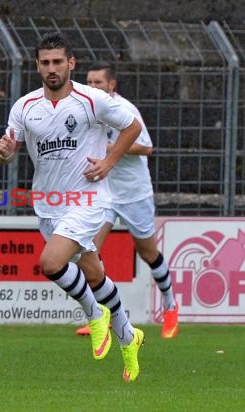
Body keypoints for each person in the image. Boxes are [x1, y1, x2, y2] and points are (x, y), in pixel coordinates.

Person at [0, 32, 145, 382]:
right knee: (94, 273)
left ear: (71, 64)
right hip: (50, 204)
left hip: (90, 199)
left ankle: (94, 313)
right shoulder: (25, 106)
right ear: (37, 66)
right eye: (45, 63)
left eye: (58, 62)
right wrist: (4, 152)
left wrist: (108, 161)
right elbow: (9, 150)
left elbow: (133, 126)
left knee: (50, 262)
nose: (51, 68)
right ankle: (128, 336)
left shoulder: (91, 99)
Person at [74, 61, 178, 339]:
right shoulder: (84, 107)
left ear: (111, 85)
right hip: (103, 190)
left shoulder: (125, 109)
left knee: (147, 252)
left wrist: (110, 149)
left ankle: (170, 305)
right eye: (89, 82)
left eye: (98, 82)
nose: (92, 87)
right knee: (88, 251)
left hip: (133, 192)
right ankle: (99, 315)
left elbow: (146, 147)